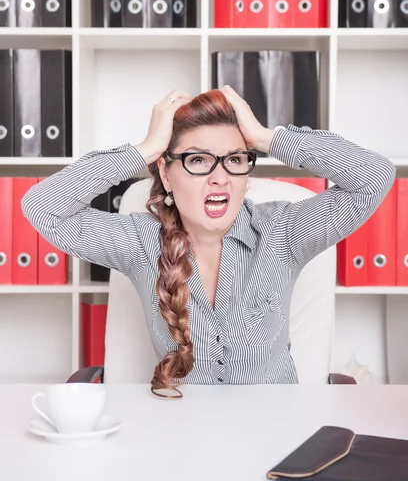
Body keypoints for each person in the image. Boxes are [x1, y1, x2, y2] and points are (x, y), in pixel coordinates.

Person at [21, 86, 396, 398]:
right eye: (198, 161)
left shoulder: (285, 231)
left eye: (234, 159)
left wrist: (267, 137)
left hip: (276, 438)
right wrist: (144, 150)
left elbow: (375, 176)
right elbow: (43, 208)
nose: (220, 177)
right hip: (179, 440)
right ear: (166, 175)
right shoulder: (139, 241)